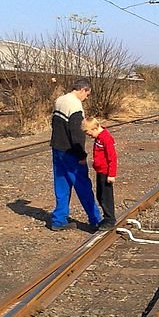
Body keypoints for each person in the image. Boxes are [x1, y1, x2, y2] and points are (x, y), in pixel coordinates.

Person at [49, 77, 102, 231]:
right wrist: (81, 155)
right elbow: (77, 133)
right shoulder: (75, 105)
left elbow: (54, 124)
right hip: (71, 152)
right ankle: (96, 220)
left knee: (61, 185)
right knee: (83, 185)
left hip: (57, 149)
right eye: (87, 94)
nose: (87, 97)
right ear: (82, 90)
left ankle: (58, 220)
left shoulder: (60, 100)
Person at [82, 117, 118, 231]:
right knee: (100, 195)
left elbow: (112, 157)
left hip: (106, 172)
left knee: (106, 197)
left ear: (95, 128)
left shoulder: (106, 139)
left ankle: (110, 218)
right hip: (100, 171)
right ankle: (106, 218)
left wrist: (111, 174)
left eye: (89, 133)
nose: (89, 136)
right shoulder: (98, 138)